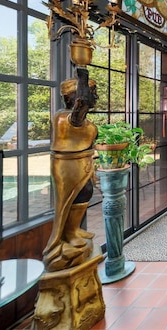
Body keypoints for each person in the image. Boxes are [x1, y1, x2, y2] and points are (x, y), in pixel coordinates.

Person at [42, 67, 98, 272]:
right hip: (68, 168)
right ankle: (67, 235)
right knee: (68, 200)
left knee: (84, 194)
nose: (95, 96)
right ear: (75, 97)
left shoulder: (78, 119)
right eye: (91, 91)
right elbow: (82, 104)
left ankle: (73, 230)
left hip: (82, 164)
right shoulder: (65, 118)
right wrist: (82, 76)